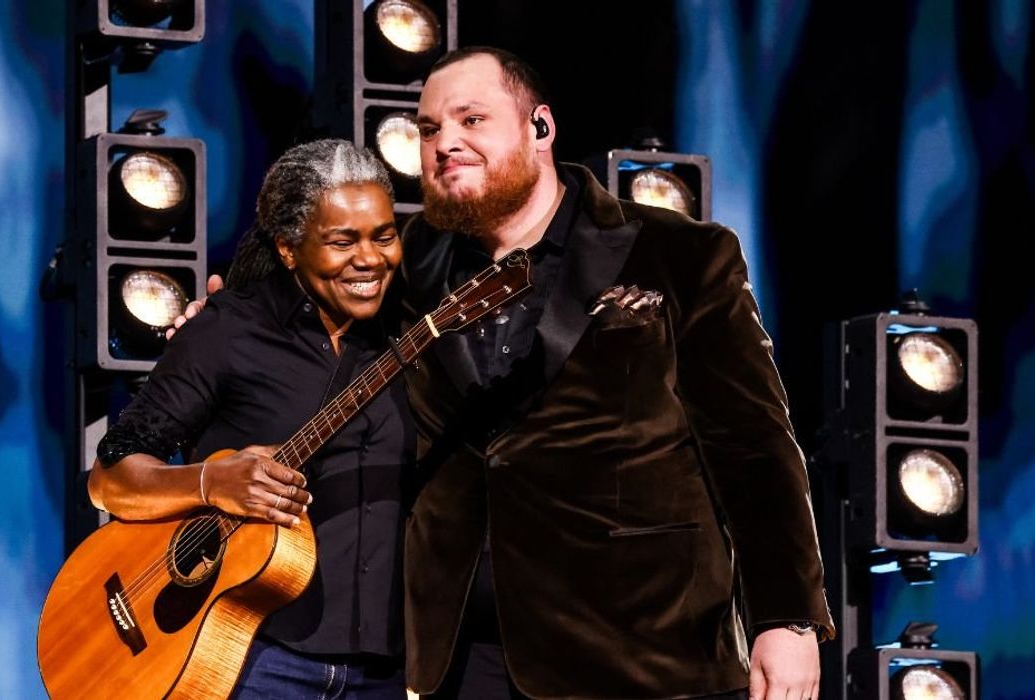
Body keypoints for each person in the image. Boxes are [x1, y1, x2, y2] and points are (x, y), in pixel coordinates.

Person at [396, 47, 835, 699]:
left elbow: (752, 444)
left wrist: (785, 617)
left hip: (641, 647)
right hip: (462, 658)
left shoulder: (680, 253)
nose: (444, 144)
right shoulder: (411, 263)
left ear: (539, 128)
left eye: (470, 120)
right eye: (429, 129)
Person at [88, 139, 413, 699]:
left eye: (383, 236)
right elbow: (110, 478)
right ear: (289, 249)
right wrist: (210, 482)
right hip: (252, 659)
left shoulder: (408, 337)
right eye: (342, 241)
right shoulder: (228, 331)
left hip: (382, 672)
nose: (370, 259)